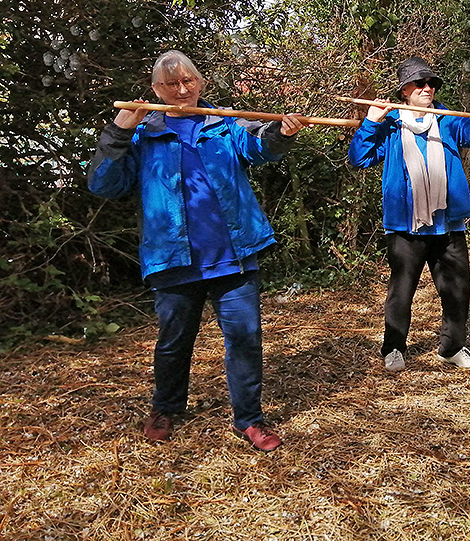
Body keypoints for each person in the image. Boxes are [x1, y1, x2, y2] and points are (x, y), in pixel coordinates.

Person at [88, 50, 308, 451]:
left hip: (233, 254)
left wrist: (283, 133)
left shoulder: (224, 123)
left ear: (200, 82)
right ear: (155, 89)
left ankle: (249, 420)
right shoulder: (143, 133)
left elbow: (262, 148)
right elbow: (104, 185)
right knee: (174, 341)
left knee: (245, 339)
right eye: (170, 84)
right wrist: (118, 131)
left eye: (188, 81)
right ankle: (166, 408)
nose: (181, 90)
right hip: (172, 258)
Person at [348, 56, 470, 372]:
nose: (427, 88)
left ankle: (452, 347)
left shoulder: (446, 118)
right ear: (404, 90)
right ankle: (393, 348)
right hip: (404, 225)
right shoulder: (390, 125)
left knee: (457, 290)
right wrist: (370, 122)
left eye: (431, 83)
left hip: (447, 222)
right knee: (401, 292)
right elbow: (359, 159)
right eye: (420, 83)